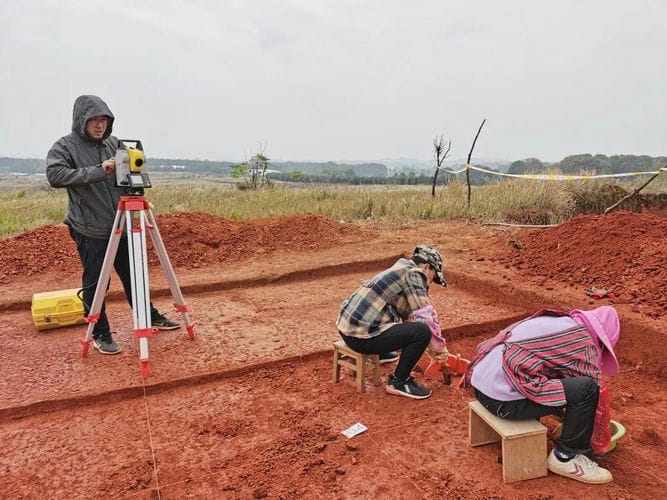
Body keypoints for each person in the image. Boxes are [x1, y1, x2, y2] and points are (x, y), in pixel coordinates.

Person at [46, 95, 180, 355]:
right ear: (81, 121)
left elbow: (129, 174)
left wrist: (138, 195)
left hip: (122, 222)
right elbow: (55, 175)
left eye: (104, 121)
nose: (100, 126)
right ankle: (100, 331)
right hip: (90, 228)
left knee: (133, 274)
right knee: (97, 282)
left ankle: (148, 315)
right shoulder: (65, 146)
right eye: (94, 120)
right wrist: (100, 169)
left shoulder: (115, 143)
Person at [463, 306, 621, 484]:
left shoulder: (557, 322)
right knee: (586, 389)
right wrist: (598, 438)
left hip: (481, 389)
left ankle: (566, 443)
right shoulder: (583, 341)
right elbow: (595, 392)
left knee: (569, 385)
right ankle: (566, 457)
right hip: (502, 402)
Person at [336, 245, 447, 399]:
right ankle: (399, 381)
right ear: (427, 267)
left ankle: (380, 352)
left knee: (414, 328)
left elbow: (407, 315)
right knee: (422, 332)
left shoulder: (401, 268)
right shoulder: (415, 274)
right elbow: (425, 316)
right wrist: (439, 348)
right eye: (433, 276)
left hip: (347, 331)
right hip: (360, 338)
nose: (430, 283)